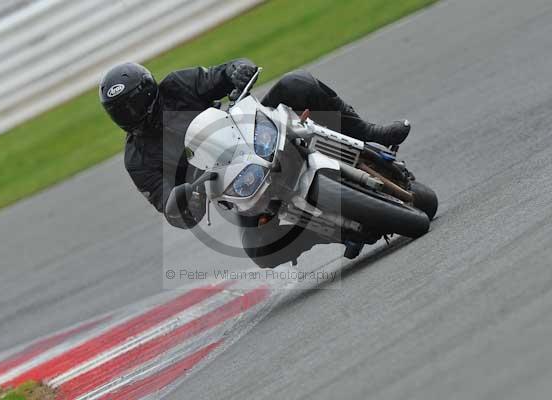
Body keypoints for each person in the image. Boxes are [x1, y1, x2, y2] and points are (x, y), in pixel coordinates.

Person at [99, 59, 410, 268]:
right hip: (237, 188)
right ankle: (332, 231)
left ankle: (370, 134)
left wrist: (238, 71)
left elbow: (222, 74)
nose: (130, 115)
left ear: (149, 91)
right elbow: (167, 203)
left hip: (253, 132)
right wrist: (183, 202)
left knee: (296, 84)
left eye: (133, 104)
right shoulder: (137, 159)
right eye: (119, 112)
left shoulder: (177, 85)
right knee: (259, 250)